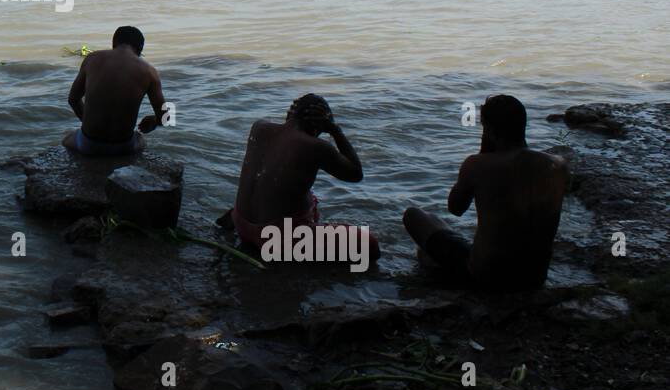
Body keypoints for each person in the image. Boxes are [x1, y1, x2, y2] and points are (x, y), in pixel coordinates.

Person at [403, 94, 566, 292]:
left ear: (488, 131)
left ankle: (436, 271)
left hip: (485, 277)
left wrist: (483, 152)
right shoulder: (557, 165)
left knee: (414, 216)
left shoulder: (477, 164)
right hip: (535, 279)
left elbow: (456, 208)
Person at [228, 94, 380, 262]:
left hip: (241, 224)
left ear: (290, 113)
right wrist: (336, 131)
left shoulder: (259, 127)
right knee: (368, 244)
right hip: (275, 240)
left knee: (304, 194)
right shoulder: (315, 146)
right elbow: (355, 174)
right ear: (320, 125)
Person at [62, 26, 168, 156]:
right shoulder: (150, 72)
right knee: (140, 139)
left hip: (88, 145)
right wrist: (153, 121)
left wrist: (89, 124)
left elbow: (73, 99)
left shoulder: (92, 59)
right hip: (124, 147)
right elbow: (165, 118)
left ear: (114, 44)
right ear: (140, 49)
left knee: (67, 136)